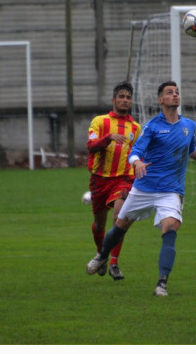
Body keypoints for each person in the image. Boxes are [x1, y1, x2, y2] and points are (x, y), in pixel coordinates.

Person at [86, 81, 196, 297]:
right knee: (121, 224)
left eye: (177, 92)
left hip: (171, 190)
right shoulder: (152, 126)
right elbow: (135, 151)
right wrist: (137, 163)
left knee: (170, 229)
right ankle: (102, 256)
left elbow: (192, 149)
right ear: (160, 100)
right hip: (144, 187)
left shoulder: (189, 125)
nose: (175, 95)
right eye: (169, 92)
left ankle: (162, 283)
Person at [86, 81, 140, 280]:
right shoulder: (100, 122)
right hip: (99, 180)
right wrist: (108, 138)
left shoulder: (136, 128)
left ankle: (114, 263)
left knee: (119, 219)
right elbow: (91, 147)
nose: (125, 100)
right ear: (113, 100)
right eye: (121, 97)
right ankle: (102, 254)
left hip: (124, 179)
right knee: (99, 225)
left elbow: (137, 153)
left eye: (128, 98)